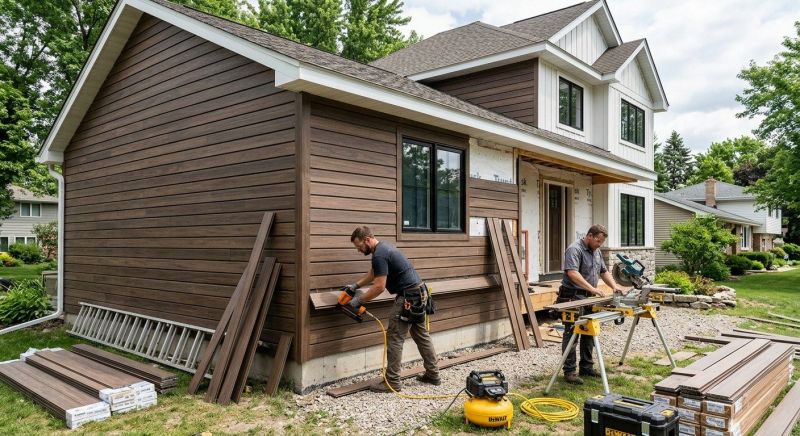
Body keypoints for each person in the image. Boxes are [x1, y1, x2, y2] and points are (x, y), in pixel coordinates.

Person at [344, 226, 439, 393]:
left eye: (359, 247)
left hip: (408, 298)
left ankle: (393, 382)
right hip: (419, 293)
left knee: (395, 338)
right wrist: (355, 286)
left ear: (367, 240)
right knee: (422, 335)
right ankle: (433, 374)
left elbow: (379, 287)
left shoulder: (380, 254)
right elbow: (374, 273)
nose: (359, 250)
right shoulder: (383, 248)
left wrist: (358, 300)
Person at [557, 224, 623, 385]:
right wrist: (593, 288)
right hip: (572, 297)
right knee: (572, 333)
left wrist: (614, 286)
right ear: (589, 236)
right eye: (598, 241)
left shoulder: (597, 251)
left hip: (589, 298)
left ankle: (586, 367)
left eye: (601, 242)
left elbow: (604, 271)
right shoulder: (574, 249)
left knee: (589, 332)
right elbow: (572, 273)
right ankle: (569, 371)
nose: (599, 244)